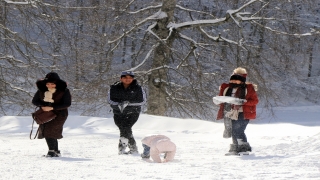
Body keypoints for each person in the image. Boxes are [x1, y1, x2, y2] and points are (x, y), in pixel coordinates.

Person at [216, 67, 258, 155]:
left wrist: (243, 102)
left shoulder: (248, 88)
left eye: (236, 80)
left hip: (243, 112)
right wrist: (218, 101)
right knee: (233, 130)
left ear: (242, 80)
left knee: (238, 130)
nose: (234, 82)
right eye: (232, 80)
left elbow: (255, 101)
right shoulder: (226, 88)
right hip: (230, 112)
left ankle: (244, 150)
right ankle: (235, 149)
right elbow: (222, 100)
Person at [32, 72, 72, 157]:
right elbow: (35, 101)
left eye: (52, 84)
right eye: (48, 84)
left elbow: (67, 103)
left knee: (50, 130)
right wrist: (43, 106)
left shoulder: (64, 90)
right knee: (48, 130)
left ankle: (51, 151)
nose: (50, 86)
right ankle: (56, 151)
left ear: (57, 83)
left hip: (60, 114)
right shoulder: (42, 90)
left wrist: (53, 107)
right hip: (46, 113)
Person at [108, 71, 146, 155]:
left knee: (126, 127)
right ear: (121, 78)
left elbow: (142, 101)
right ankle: (132, 148)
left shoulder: (138, 88)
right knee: (124, 128)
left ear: (133, 79)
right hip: (118, 112)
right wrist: (119, 104)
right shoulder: (114, 87)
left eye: (130, 78)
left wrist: (128, 103)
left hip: (133, 112)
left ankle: (123, 148)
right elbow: (110, 100)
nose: (127, 80)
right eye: (125, 78)